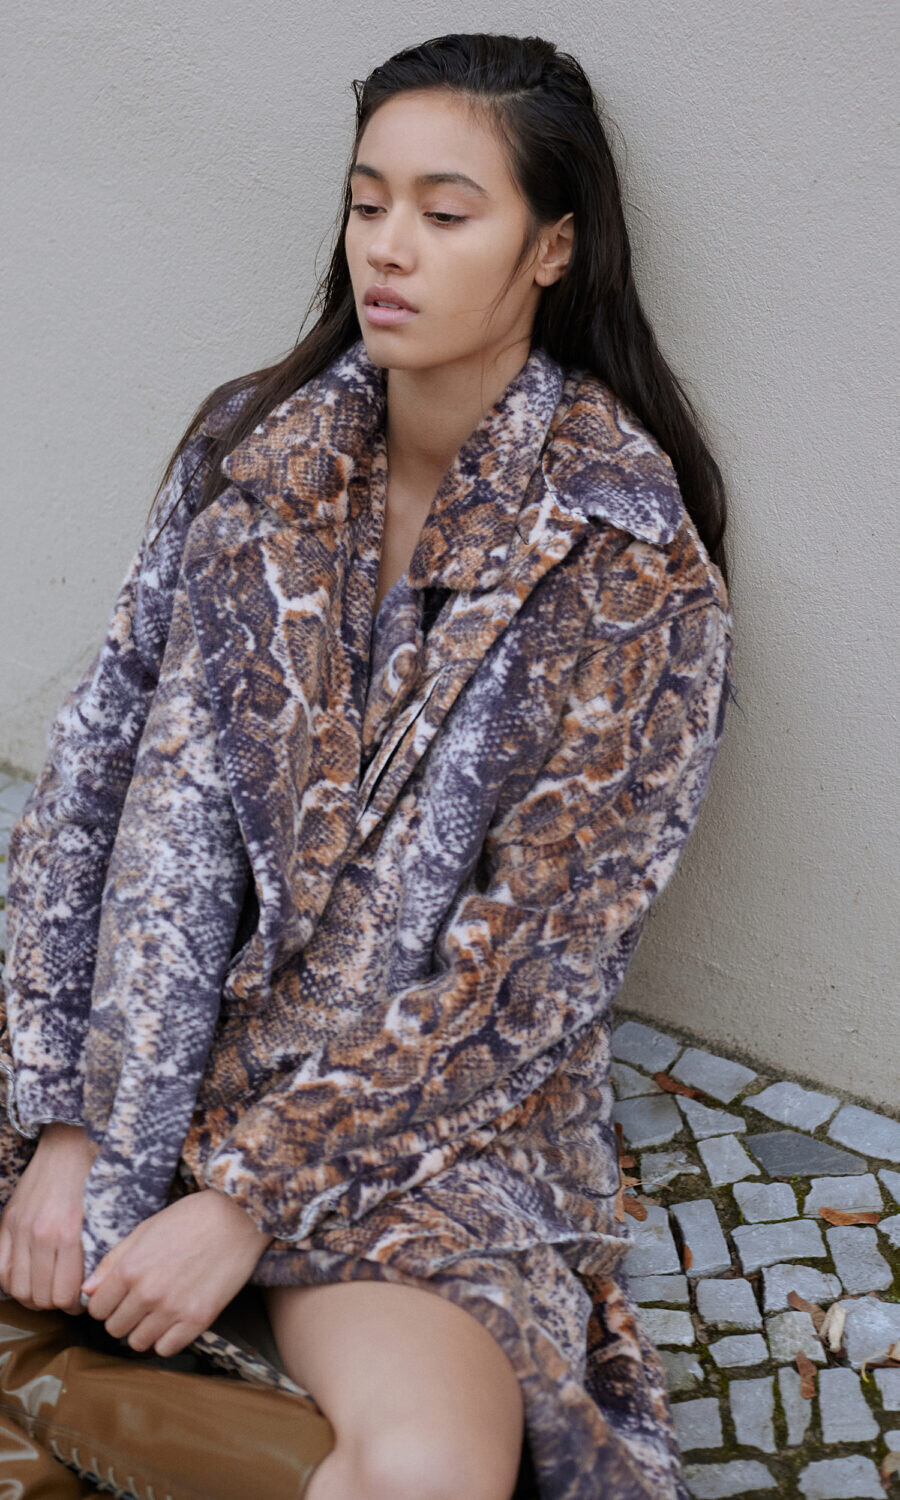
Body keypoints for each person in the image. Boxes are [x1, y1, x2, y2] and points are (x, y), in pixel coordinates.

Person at [0, 30, 736, 1500]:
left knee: (429, 1473)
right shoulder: (250, 456)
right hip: (147, 1047)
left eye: (446, 213)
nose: (389, 247)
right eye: (366, 202)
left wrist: (247, 1198)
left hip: (413, 1125)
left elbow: (529, 973)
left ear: (552, 247)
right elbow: (91, 780)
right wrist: (70, 1116)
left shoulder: (630, 565)